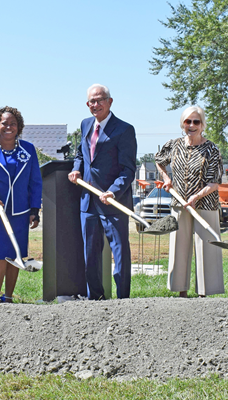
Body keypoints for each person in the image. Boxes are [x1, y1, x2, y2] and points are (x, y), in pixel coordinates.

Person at [68, 84, 137, 300]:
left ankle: (123, 299)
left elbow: (128, 170)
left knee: (120, 255)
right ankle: (95, 298)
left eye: (99, 100)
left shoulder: (125, 130)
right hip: (88, 202)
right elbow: (81, 153)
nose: (95, 105)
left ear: (110, 101)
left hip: (113, 203)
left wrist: (113, 192)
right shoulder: (86, 124)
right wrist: (76, 168)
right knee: (91, 256)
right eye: (91, 101)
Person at [155, 106, 224, 298]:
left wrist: (196, 197)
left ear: (202, 125)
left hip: (205, 204)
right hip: (179, 204)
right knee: (179, 245)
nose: (191, 125)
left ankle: (205, 292)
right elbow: (159, 160)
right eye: (188, 122)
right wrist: (166, 177)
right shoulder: (174, 145)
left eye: (196, 122)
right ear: (182, 124)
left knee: (207, 245)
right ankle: (181, 292)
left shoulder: (211, 149)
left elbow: (215, 182)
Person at [0, 106, 42, 303]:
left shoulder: (28, 150)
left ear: (18, 127)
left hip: (20, 211)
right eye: (4, 123)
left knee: (16, 254)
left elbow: (35, 182)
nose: (9, 127)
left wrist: (34, 210)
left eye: (13, 123)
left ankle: (9, 297)